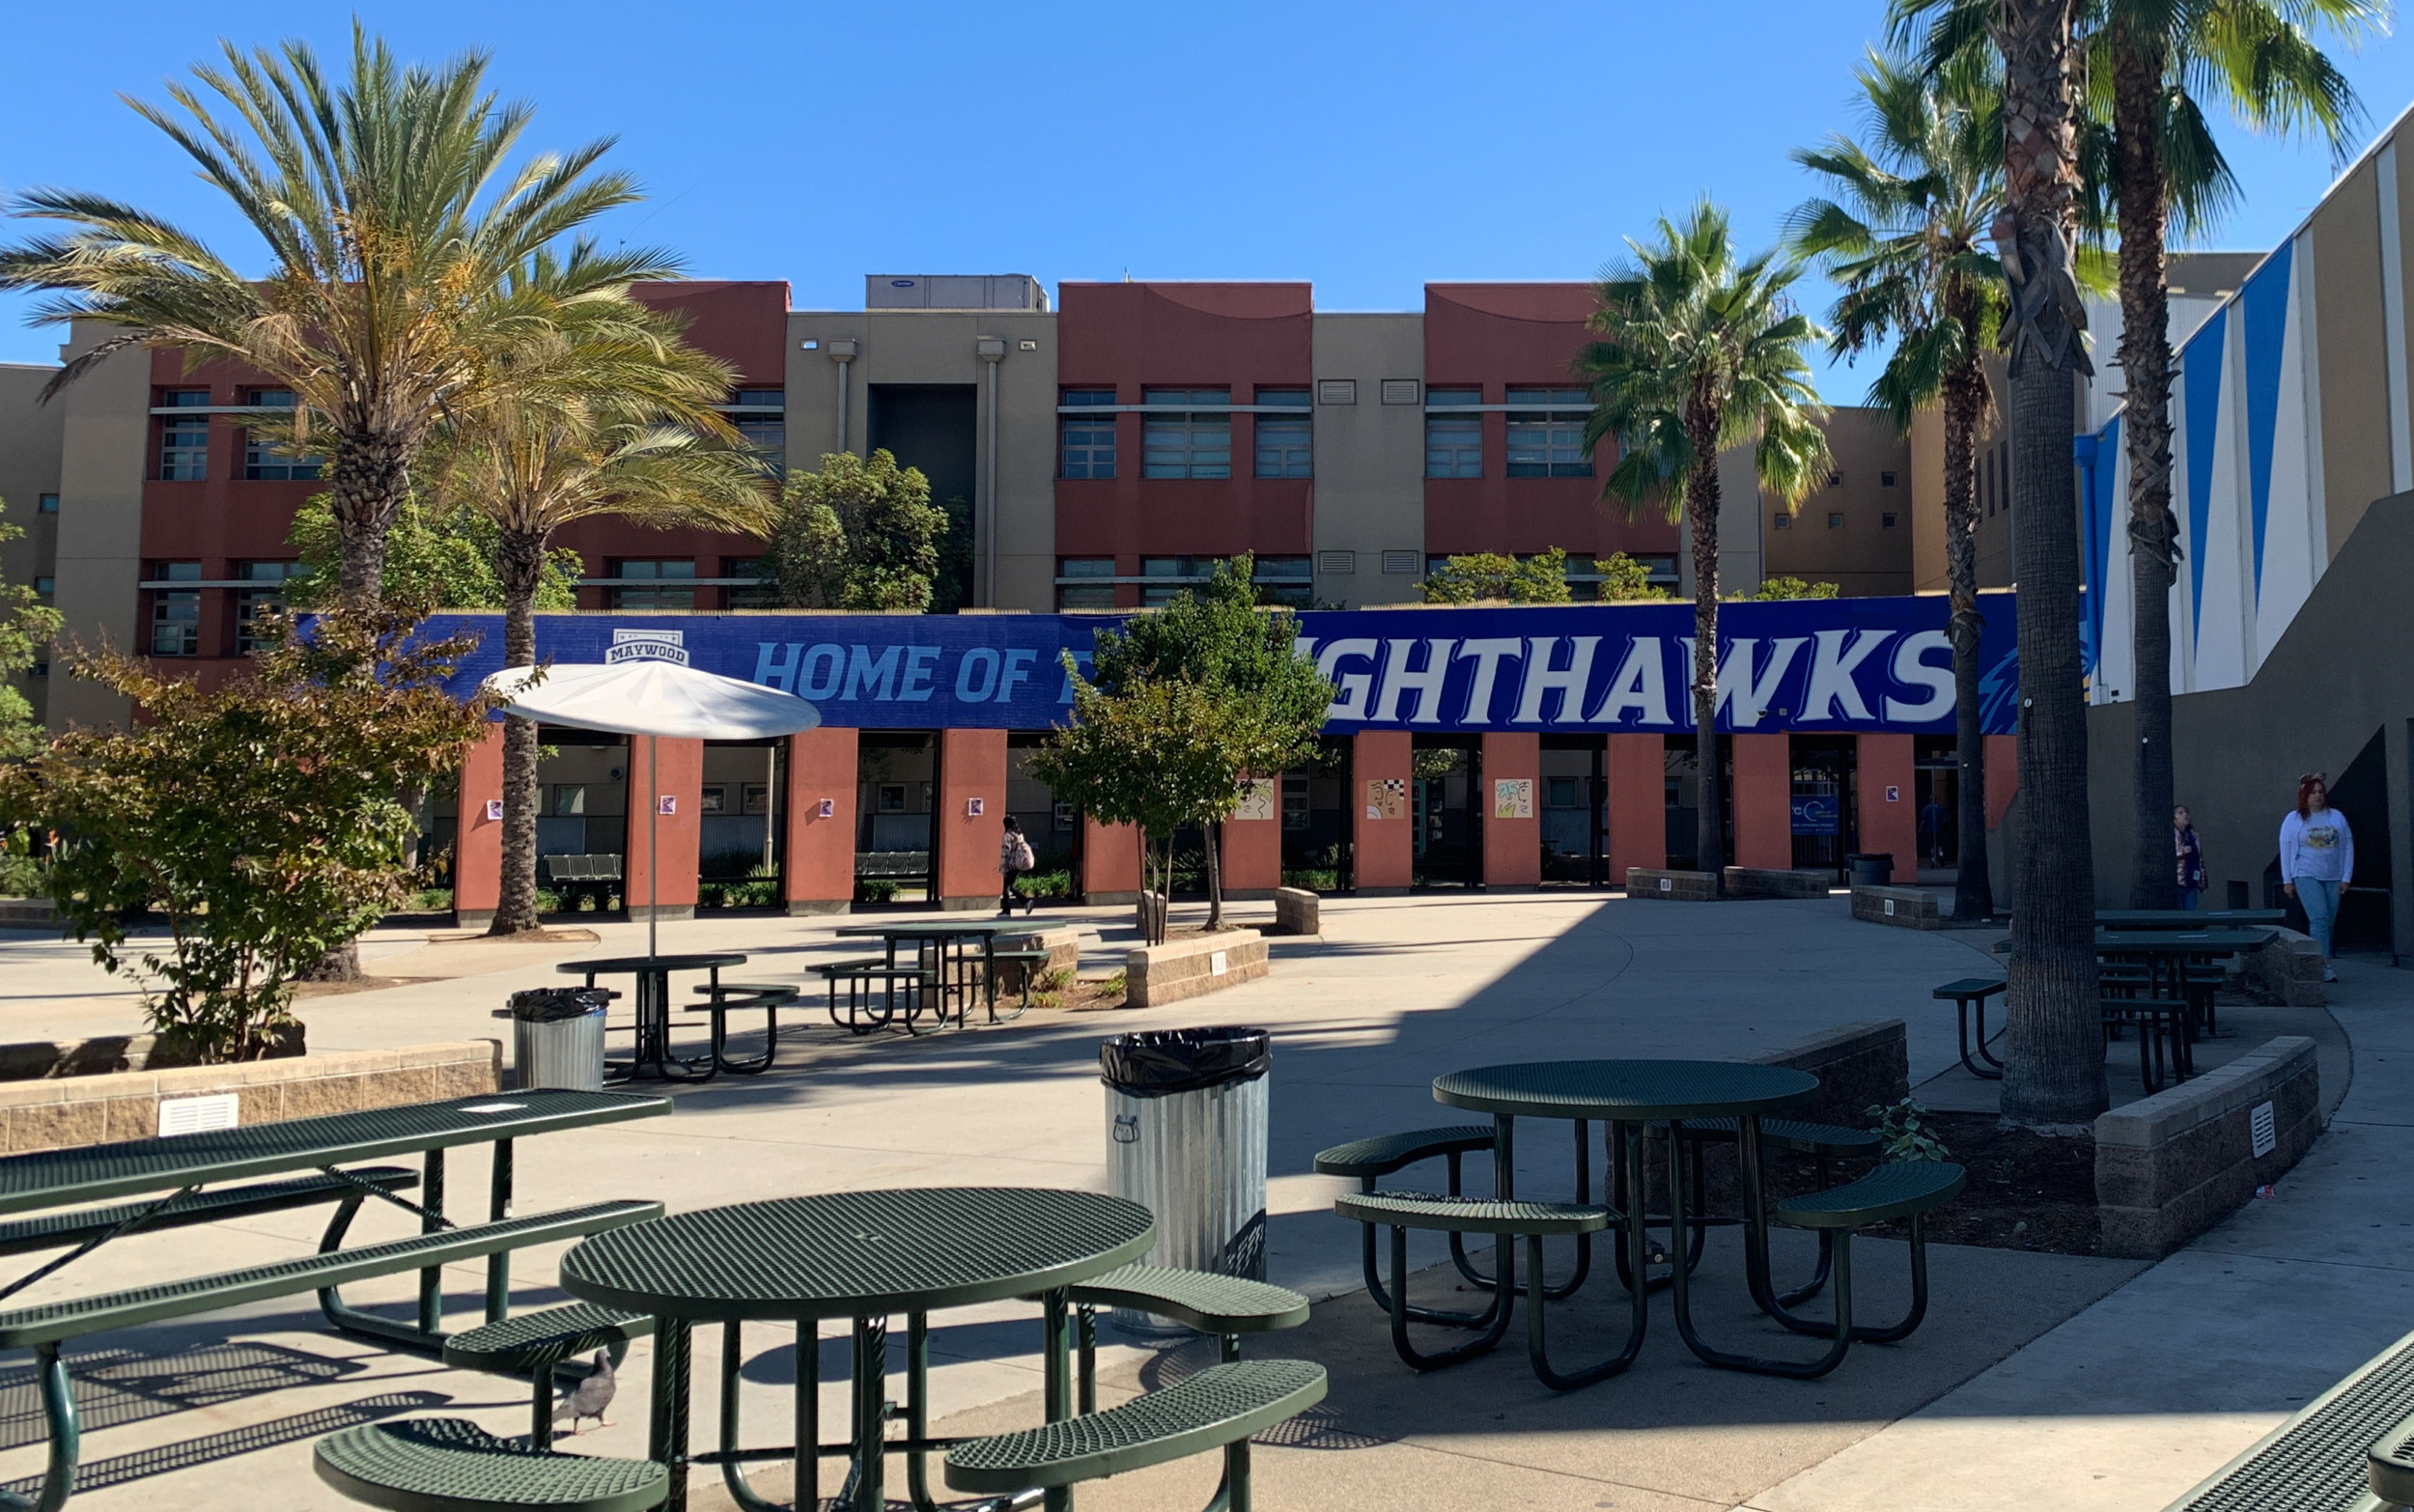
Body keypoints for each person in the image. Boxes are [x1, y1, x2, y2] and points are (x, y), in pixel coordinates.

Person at [2280, 773, 2353, 981]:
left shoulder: (2336, 817)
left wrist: (2346, 876)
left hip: (2332, 875)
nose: (2317, 796)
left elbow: (2348, 847)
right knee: (2319, 918)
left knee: (2329, 920)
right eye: (2313, 792)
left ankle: (2321, 959)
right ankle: (2323, 964)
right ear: (2305, 795)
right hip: (2305, 874)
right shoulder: (2294, 819)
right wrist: (2287, 880)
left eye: (2320, 792)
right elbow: (2285, 849)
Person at [998, 814, 1037, 916]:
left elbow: (1005, 853)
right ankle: (1008, 909)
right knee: (1008, 887)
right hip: (1018, 864)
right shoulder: (1019, 835)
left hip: (1010, 865)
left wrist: (1003, 867)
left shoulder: (1007, 836)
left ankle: (1023, 903)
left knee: (1008, 887)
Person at [2174, 805, 2205, 910]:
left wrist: (2202, 879)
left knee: (2191, 912)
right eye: (2180, 813)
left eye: (2186, 812)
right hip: (2177, 881)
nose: (2185, 815)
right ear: (2174, 818)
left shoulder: (2193, 835)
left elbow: (2199, 858)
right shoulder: (2172, 834)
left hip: (2192, 880)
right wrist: (2182, 851)